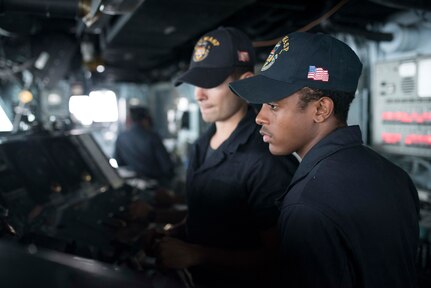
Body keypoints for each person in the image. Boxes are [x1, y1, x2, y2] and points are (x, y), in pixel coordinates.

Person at [229, 32, 420, 287]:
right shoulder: (396, 177)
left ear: (320, 110)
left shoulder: (306, 205)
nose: (259, 117)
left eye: (273, 106)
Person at [155, 27, 299, 288]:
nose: (199, 95)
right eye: (197, 83)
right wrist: (173, 232)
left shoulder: (265, 158)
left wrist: (196, 254)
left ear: (244, 82)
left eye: (211, 83)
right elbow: (207, 218)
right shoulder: (200, 146)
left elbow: (280, 257)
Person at [114, 106, 174, 184]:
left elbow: (119, 163)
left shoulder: (121, 138)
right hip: (155, 185)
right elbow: (167, 167)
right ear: (145, 120)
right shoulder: (153, 137)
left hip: (133, 184)